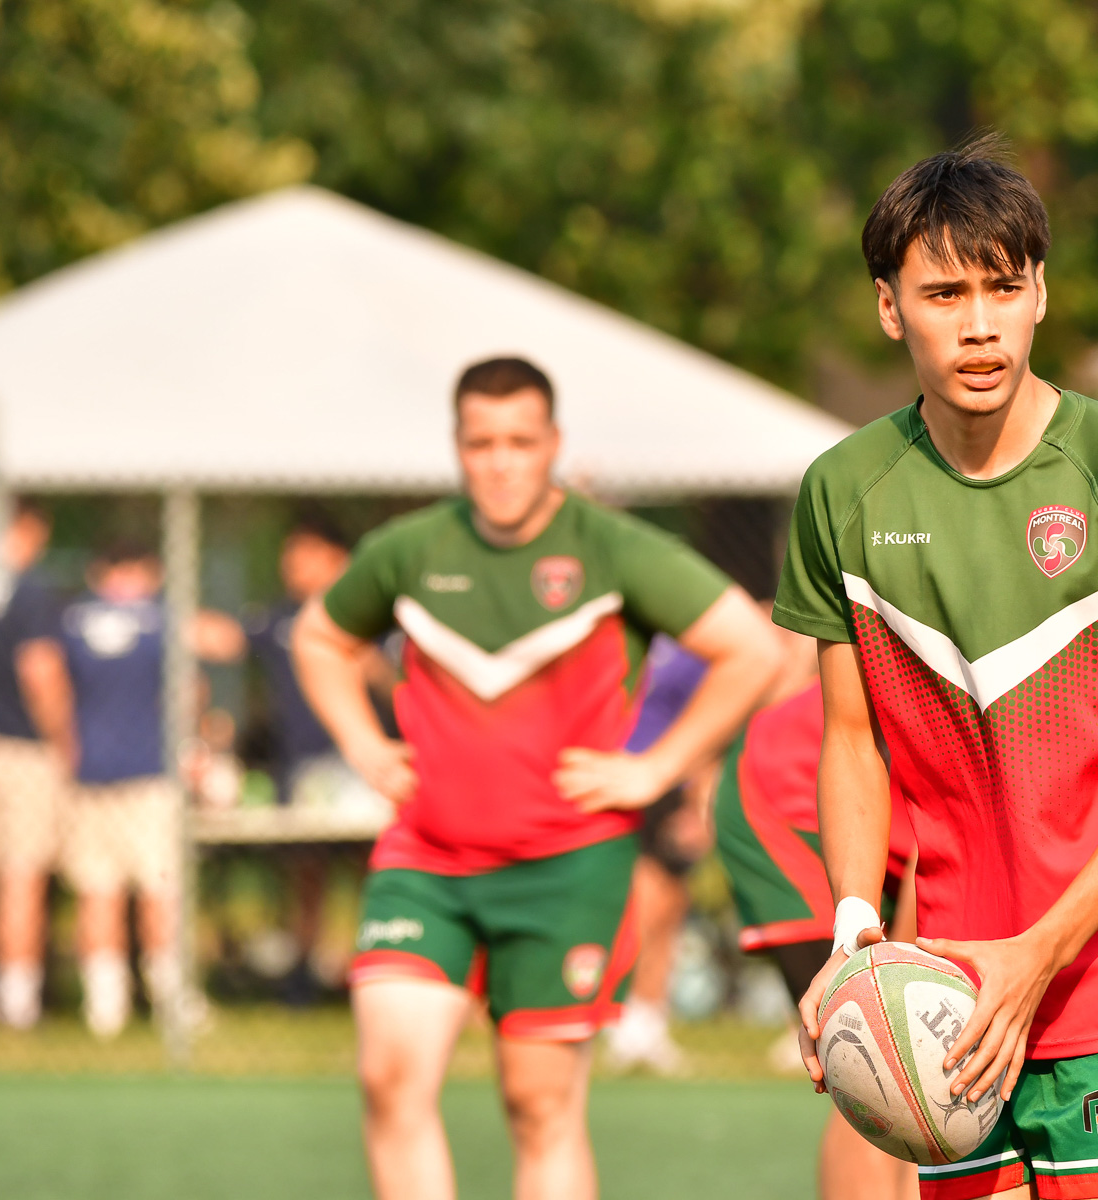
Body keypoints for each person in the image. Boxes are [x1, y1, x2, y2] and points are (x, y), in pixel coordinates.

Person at [778, 135, 1098, 1200]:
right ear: (889, 307)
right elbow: (851, 739)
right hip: (947, 989)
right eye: (944, 293)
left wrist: (1042, 949)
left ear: (1041, 292)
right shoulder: (843, 491)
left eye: (1003, 286)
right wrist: (856, 932)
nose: (980, 323)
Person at [292, 356, 780, 1200]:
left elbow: (750, 650)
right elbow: (319, 638)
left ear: (553, 443)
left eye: (520, 442)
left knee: (539, 1105)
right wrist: (363, 745)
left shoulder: (611, 548)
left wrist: (657, 768)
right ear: (457, 447)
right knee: (389, 1079)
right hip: (426, 861)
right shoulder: (411, 549)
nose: (501, 463)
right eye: (481, 443)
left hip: (567, 869)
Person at [715, 620, 920, 1200]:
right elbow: (930, 868)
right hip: (791, 804)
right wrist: (899, 974)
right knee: (883, 1060)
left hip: (878, 804)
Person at [59, 537, 244, 1038]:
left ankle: (105, 1009)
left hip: (87, 775)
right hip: (149, 776)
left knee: (98, 891)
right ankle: (170, 999)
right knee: (159, 890)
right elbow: (227, 642)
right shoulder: (161, 620)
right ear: (149, 571)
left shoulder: (70, 622)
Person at [240, 510, 392, 999]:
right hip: (301, 768)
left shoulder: (372, 615)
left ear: (337, 558)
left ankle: (379, 966)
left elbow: (402, 686)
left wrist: (371, 666)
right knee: (306, 870)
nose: (292, 564)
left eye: (305, 554)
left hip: (361, 769)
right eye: (290, 554)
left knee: (374, 869)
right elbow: (227, 637)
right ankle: (303, 974)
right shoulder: (279, 617)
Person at [601, 633, 710, 1074]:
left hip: (672, 781)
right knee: (641, 902)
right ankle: (623, 1016)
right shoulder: (619, 635)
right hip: (619, 774)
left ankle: (649, 1019)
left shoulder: (698, 645)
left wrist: (699, 803)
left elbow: (710, 724)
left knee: (669, 906)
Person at [0, 499, 73, 1030]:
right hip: (22, 750)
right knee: (22, 876)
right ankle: (18, 1004)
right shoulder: (29, 590)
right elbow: (41, 671)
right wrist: (63, 739)